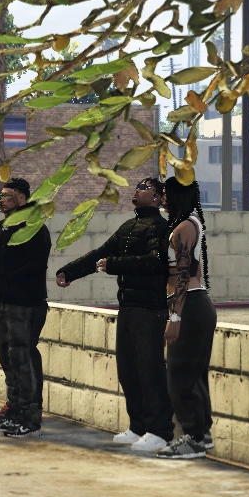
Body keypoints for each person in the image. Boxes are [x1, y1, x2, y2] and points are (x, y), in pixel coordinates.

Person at [55, 178, 173, 452]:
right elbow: (101, 254)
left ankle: (160, 431)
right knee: (128, 370)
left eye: (144, 188)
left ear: (157, 197)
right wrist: (69, 272)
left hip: (149, 309)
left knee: (150, 371)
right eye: (137, 187)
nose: (137, 190)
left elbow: (155, 262)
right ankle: (138, 426)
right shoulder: (128, 227)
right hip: (128, 307)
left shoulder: (160, 227)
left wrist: (115, 264)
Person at [156, 177, 217, 461]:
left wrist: (175, 316)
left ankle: (193, 439)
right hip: (195, 304)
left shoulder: (183, 228)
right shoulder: (191, 224)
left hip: (189, 307)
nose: (163, 199)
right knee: (195, 375)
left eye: (166, 194)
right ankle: (202, 434)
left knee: (179, 376)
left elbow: (182, 276)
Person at [0, 178, 50, 439]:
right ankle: (14, 411)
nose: (2, 201)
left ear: (22, 198)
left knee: (23, 359)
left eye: (8, 196)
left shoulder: (34, 227)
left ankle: (30, 417)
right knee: (6, 356)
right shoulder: (1, 227)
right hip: (3, 300)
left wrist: (8, 279)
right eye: (1, 196)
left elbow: (37, 264)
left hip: (25, 303)